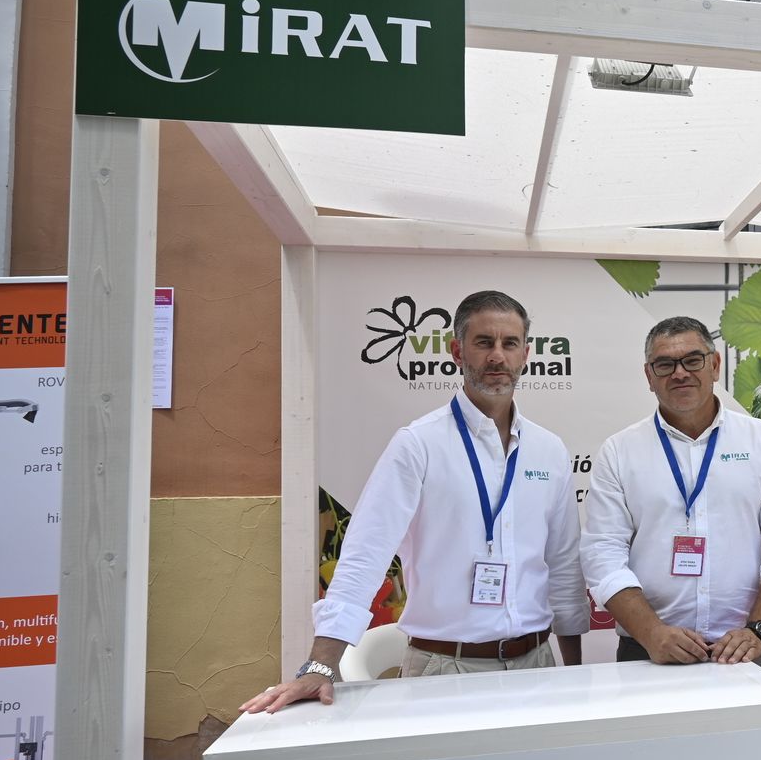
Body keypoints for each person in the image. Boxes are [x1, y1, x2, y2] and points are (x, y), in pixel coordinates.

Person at [241, 290, 588, 713]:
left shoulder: (548, 450)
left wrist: (575, 674)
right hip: (444, 669)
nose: (498, 356)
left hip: (537, 666)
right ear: (458, 352)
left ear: (526, 354)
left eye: (509, 343)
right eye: (484, 343)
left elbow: (565, 567)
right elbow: (365, 556)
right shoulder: (418, 445)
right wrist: (321, 664)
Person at [581, 315, 761, 670]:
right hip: (648, 652)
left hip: (741, 651)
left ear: (715, 365)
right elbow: (602, 555)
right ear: (649, 376)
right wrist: (653, 633)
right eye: (665, 364)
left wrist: (759, 631)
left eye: (692, 360)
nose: (680, 373)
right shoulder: (619, 451)